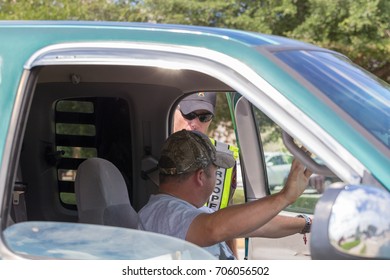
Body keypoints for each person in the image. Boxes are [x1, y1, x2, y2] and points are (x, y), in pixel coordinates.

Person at [138, 129, 313, 260]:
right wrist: (284, 197)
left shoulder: (192, 214)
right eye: (215, 171)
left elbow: (260, 225)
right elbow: (214, 229)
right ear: (200, 176)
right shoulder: (162, 214)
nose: (216, 178)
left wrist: (308, 224)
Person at [173, 92, 240, 256]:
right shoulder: (155, 153)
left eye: (204, 117)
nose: (195, 123)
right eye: (189, 115)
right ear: (174, 110)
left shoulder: (225, 159)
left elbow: (228, 221)